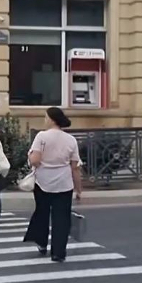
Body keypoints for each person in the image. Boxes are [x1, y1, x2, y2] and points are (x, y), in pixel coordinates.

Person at [23, 107, 82, 263]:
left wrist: (30, 158)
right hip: (64, 182)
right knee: (62, 217)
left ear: (51, 119)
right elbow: (75, 167)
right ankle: (58, 252)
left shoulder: (42, 137)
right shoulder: (71, 140)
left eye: (45, 117)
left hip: (43, 181)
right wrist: (79, 189)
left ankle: (42, 243)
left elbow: (35, 160)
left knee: (42, 213)